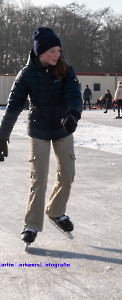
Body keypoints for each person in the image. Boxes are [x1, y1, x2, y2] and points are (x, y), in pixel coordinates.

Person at [0, 27, 82, 246]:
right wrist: (2, 135)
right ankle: (31, 225)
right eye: (52, 51)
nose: (57, 55)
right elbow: (13, 107)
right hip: (39, 131)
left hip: (63, 128)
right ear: (40, 52)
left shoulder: (66, 70)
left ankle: (56, 211)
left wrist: (73, 114)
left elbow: (75, 95)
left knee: (67, 174)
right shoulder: (26, 74)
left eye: (58, 50)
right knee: (39, 179)